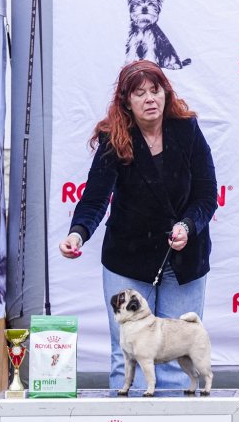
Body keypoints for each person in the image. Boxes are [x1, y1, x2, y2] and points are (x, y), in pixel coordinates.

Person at [59, 60, 217, 391]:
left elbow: (206, 195)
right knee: (127, 354)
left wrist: (188, 226)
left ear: (165, 93)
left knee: (175, 354)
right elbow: (94, 199)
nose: (149, 99)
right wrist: (77, 234)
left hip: (184, 258)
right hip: (128, 258)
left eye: (155, 91)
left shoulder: (187, 129)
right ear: (126, 101)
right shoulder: (114, 137)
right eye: (139, 93)